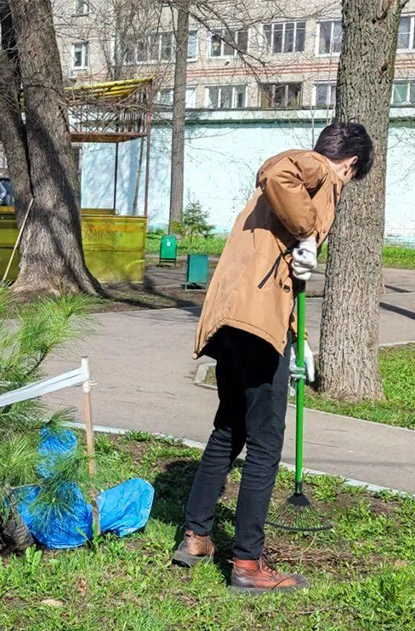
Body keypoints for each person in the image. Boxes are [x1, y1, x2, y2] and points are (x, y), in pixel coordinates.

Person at [174, 122, 374, 593]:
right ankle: (247, 564)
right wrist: (308, 233)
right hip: (255, 327)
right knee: (265, 442)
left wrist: (298, 337)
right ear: (350, 164)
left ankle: (197, 536)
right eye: (349, 176)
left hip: (234, 320)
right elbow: (273, 169)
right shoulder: (318, 171)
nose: (342, 185)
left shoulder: (284, 200)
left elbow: (281, 272)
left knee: (230, 427)